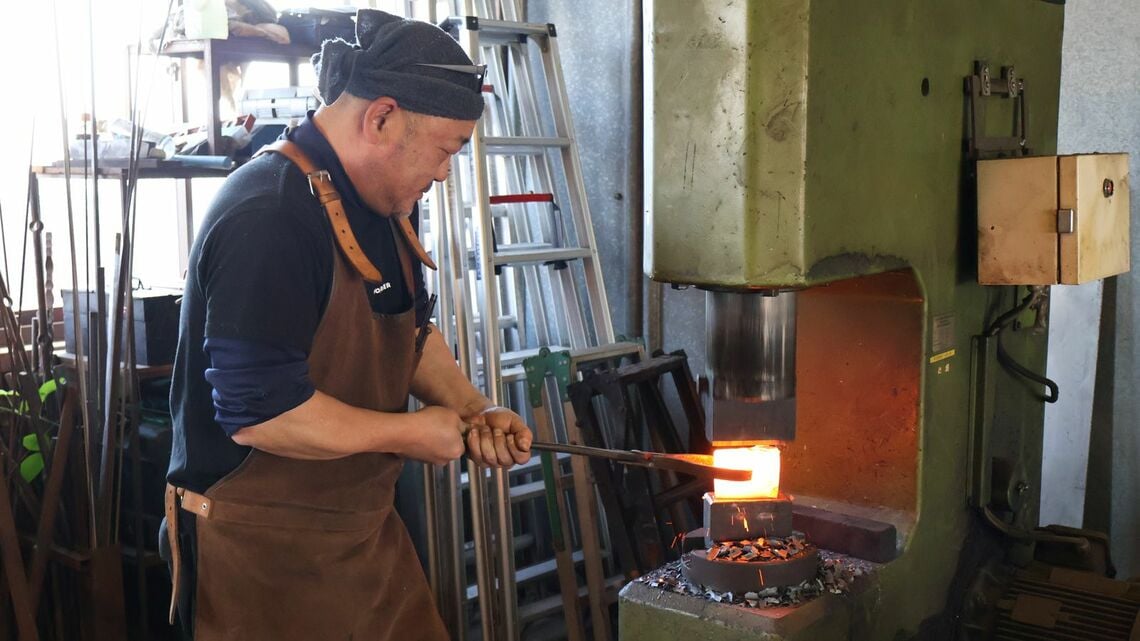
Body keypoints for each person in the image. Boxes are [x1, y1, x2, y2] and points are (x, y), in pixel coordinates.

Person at [161, 10, 532, 640]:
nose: (445, 173)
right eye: (446, 150)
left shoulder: (376, 201)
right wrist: (412, 435)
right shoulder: (270, 216)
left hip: (363, 538)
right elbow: (261, 413)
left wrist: (472, 407)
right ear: (381, 118)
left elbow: (404, 334)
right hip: (263, 559)